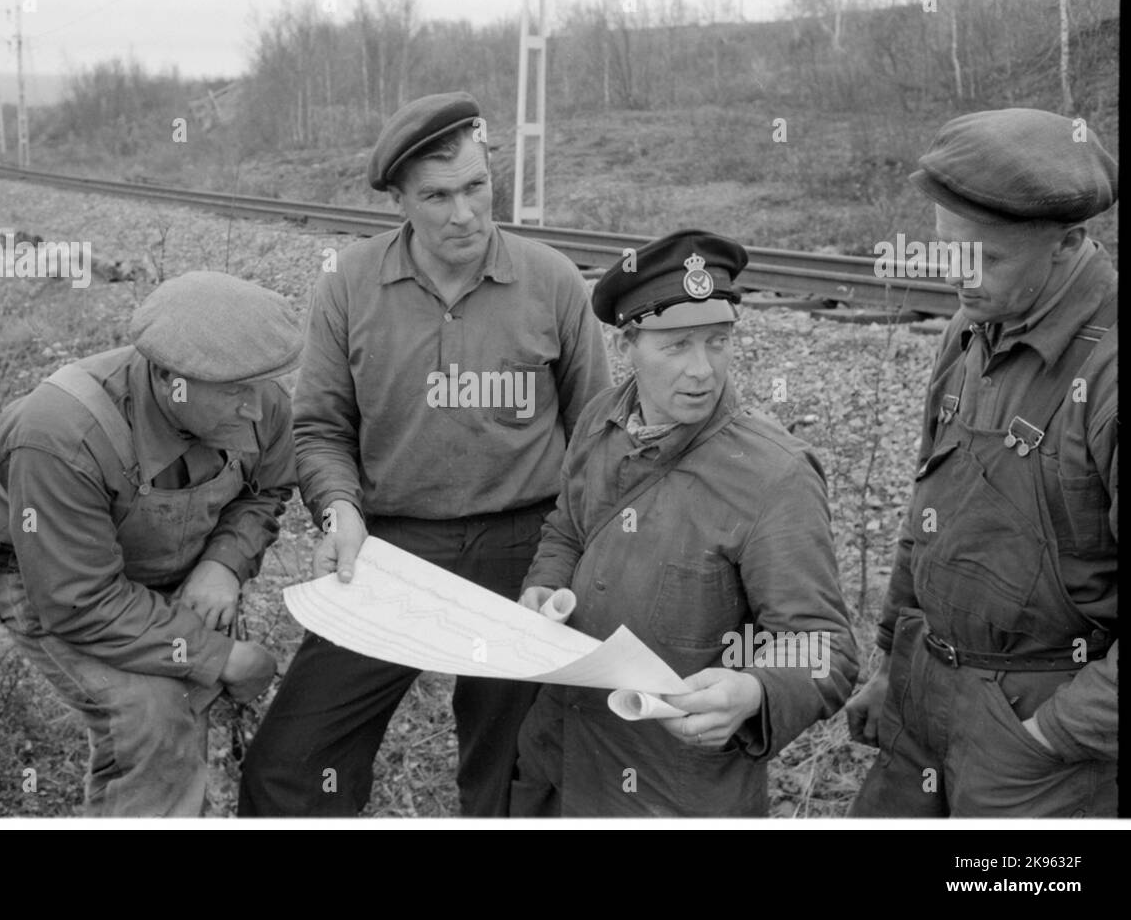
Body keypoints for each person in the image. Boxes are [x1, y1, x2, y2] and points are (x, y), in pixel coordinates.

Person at [237, 91, 611, 817]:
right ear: (401, 200)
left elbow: (595, 435)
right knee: (293, 761)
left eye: (476, 187)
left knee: (512, 769)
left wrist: (568, 561)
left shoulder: (554, 282)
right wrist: (339, 510)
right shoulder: (349, 284)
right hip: (389, 550)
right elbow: (319, 426)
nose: (464, 212)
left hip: (524, 549)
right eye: (438, 195)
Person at [509, 229, 857, 816]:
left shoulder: (776, 475)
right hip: (560, 756)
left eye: (717, 342)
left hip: (671, 792)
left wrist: (753, 691)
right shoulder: (601, 418)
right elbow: (566, 529)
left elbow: (824, 649)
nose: (702, 371)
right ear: (627, 345)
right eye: (676, 346)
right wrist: (543, 586)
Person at [847, 108, 1118, 817]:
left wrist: (1052, 733)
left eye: (987, 258)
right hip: (923, 691)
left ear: (1067, 244)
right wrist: (892, 664)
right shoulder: (972, 329)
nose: (958, 279)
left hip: (1040, 726)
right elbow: (930, 505)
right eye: (946, 251)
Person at [0, 270, 300, 816]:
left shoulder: (255, 398)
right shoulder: (61, 433)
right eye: (236, 391)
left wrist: (224, 563)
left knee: (188, 700)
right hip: (50, 581)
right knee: (154, 714)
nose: (258, 411)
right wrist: (221, 656)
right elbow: (79, 599)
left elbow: (267, 490)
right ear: (170, 378)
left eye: (261, 385)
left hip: (160, 569)